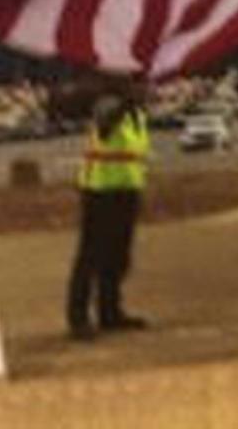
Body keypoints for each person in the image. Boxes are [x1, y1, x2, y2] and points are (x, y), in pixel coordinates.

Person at [66, 76, 151, 340]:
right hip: (100, 191)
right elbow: (104, 124)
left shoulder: (137, 114)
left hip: (126, 191)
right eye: (141, 85)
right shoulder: (110, 105)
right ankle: (78, 318)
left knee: (118, 256)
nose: (147, 89)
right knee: (91, 256)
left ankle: (110, 312)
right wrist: (126, 101)